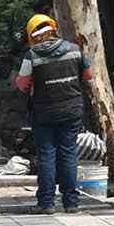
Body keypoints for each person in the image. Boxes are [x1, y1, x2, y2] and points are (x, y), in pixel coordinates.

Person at [15, 13, 92, 212]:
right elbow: (88, 76)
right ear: (53, 29)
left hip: (43, 113)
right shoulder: (75, 50)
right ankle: (71, 203)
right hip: (71, 110)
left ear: (33, 35)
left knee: (47, 155)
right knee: (69, 154)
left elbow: (22, 85)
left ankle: (47, 203)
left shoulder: (31, 56)